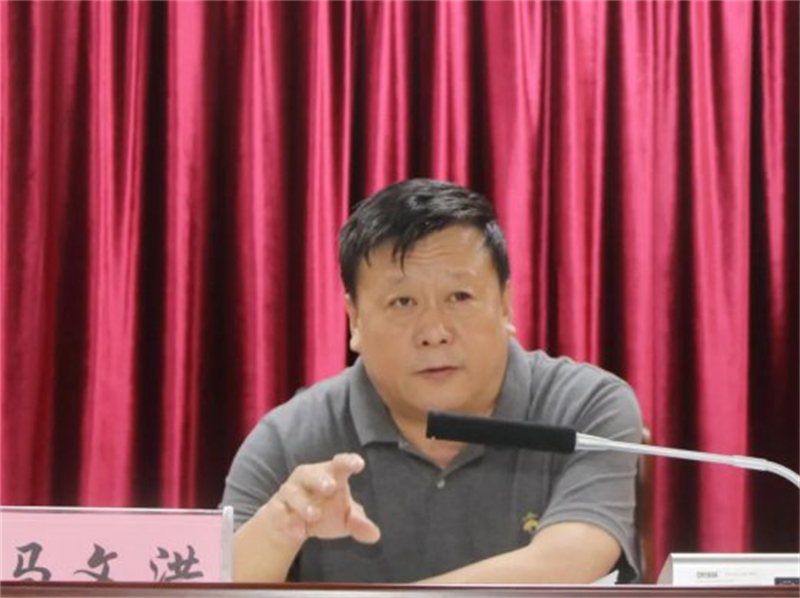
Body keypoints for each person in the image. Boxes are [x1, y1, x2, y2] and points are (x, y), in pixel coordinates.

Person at [221, 178, 643, 584]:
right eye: (402, 301)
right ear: (355, 320)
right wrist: (279, 530)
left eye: (460, 297)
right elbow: (216, 587)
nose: (434, 332)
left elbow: (571, 561)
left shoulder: (585, 405)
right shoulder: (290, 437)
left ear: (505, 305)